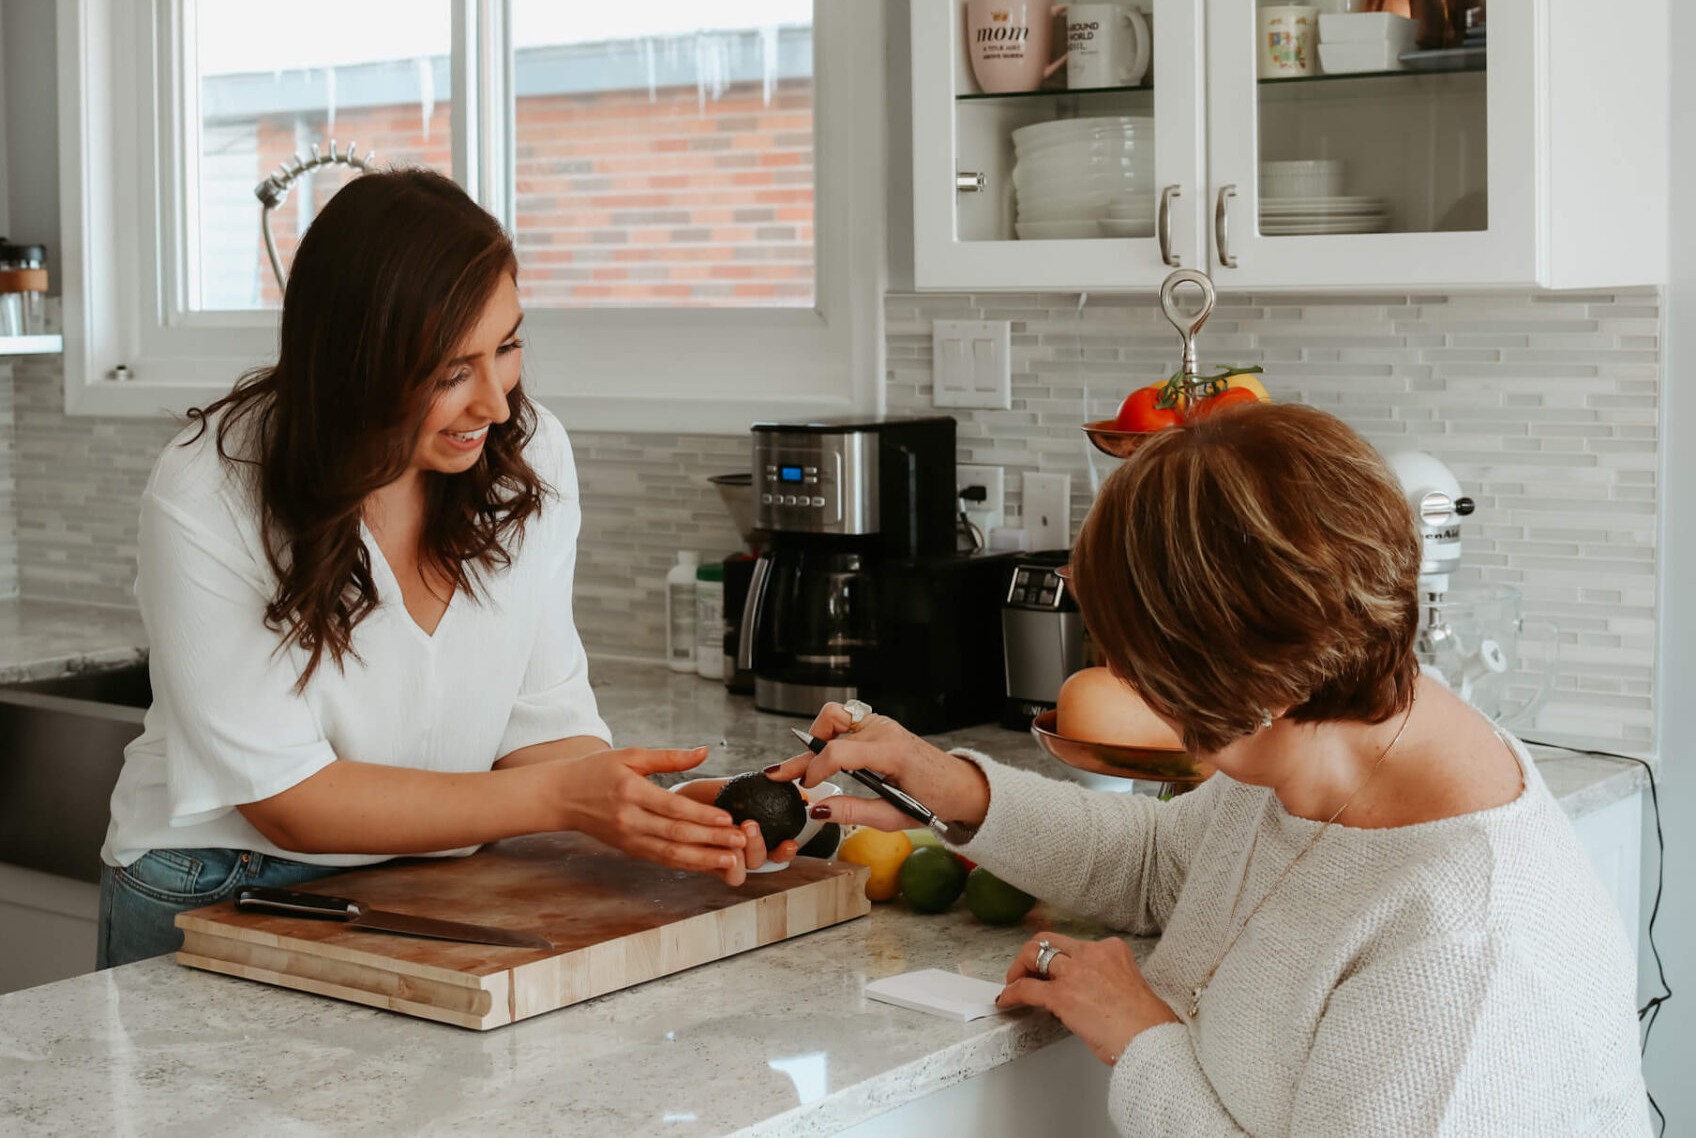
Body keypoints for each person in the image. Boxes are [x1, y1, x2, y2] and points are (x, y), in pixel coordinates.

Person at [778, 403, 1648, 1135]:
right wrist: (954, 790)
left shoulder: (1465, 947)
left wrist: (1141, 1036)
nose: (1122, 682)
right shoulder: (1330, 735)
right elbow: (1165, 863)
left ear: (1250, 684)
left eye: (1137, 665)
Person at [98, 170, 792, 967]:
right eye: (451, 372)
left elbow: (541, 721)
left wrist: (644, 813)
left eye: (508, 346)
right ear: (357, 366)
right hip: (220, 882)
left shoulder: (526, 458)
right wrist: (564, 800)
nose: (496, 404)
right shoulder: (212, 489)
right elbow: (290, 800)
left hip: (433, 876)